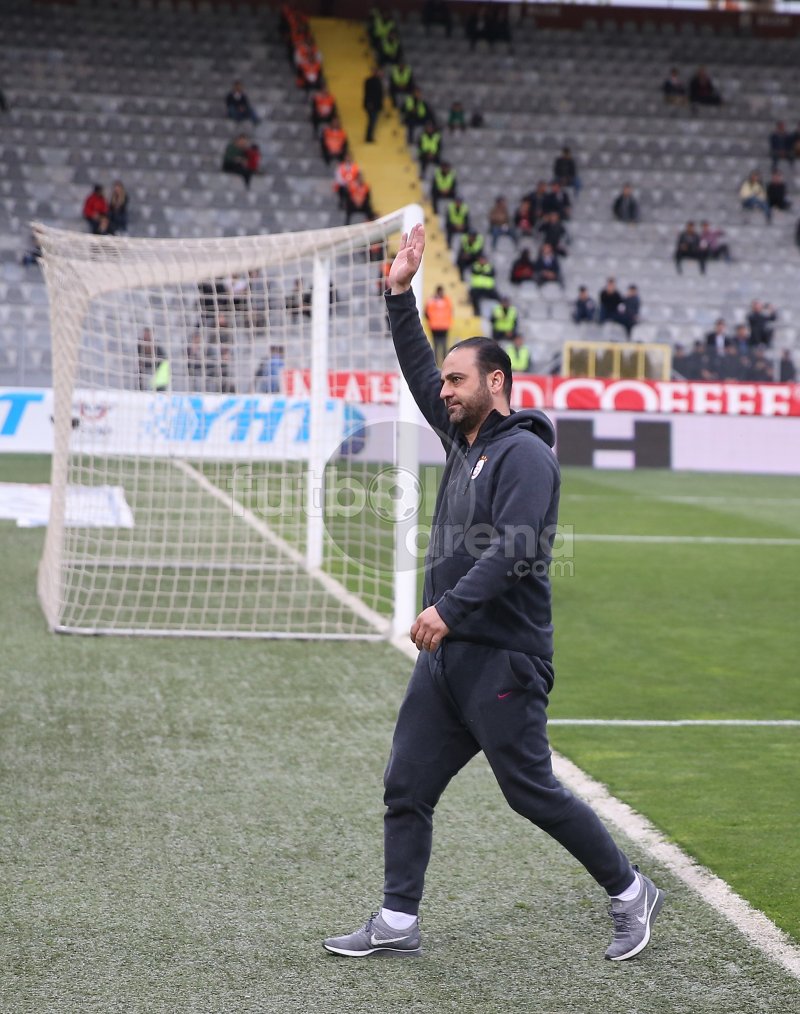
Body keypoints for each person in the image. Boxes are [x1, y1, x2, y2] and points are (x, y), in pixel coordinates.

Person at [322, 222, 665, 962]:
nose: (443, 390)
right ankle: (397, 922)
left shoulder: (526, 456)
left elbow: (516, 550)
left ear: (497, 384)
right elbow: (416, 370)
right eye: (444, 381)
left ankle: (633, 893)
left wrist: (446, 609)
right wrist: (398, 297)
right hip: (447, 660)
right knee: (405, 783)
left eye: (457, 380)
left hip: (503, 658)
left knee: (530, 793)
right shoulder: (464, 443)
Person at [424, 284, 453, 365]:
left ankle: (441, 363)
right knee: (439, 345)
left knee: (441, 345)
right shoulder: (446, 300)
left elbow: (426, 313)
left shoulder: (431, 300)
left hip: (440, 326)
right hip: (437, 326)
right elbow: (451, 311)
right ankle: (441, 363)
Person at [137, 327, 169, 391]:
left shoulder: (157, 347)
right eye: (146, 334)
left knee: (165, 364)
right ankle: (141, 389)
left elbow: (163, 360)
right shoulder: (139, 345)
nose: (147, 336)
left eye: (149, 334)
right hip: (143, 371)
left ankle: (159, 389)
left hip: (154, 371)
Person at [363, 66, 384, 143]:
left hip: (377, 105)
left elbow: (380, 95)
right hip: (371, 105)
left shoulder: (378, 81)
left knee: (373, 121)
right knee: (372, 121)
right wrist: (369, 103)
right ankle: (368, 137)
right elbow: (368, 93)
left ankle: (370, 136)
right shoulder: (369, 81)